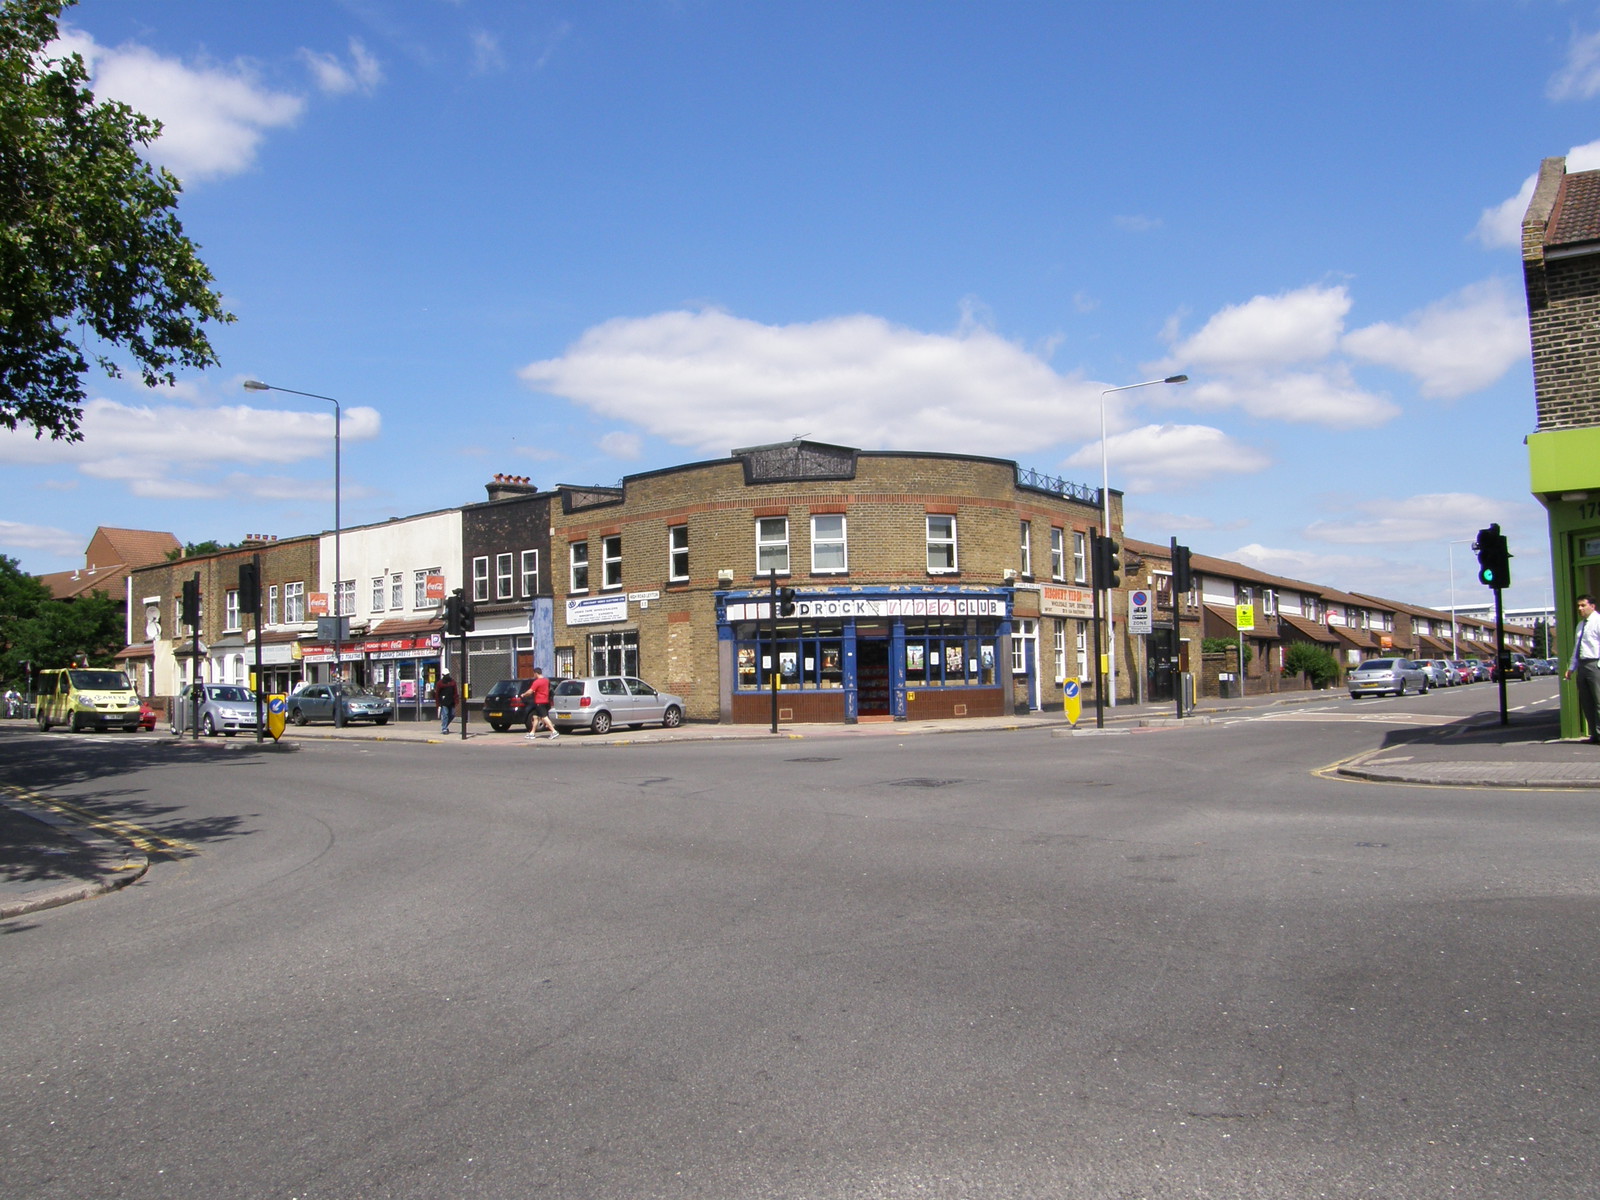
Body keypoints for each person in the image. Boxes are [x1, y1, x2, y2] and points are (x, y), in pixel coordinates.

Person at [1566, 593, 1600, 745]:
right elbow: (1577, 648)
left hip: (1595, 664)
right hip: (1582, 664)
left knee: (1599, 701)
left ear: (1592, 606)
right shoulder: (1580, 625)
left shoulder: (1598, 621)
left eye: (1583, 605)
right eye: (1578, 606)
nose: (1580, 608)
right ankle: (1594, 734)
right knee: (1587, 702)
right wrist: (1571, 667)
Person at [522, 667, 557, 740]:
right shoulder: (546, 680)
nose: (533, 675)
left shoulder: (537, 682)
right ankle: (532, 733)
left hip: (539, 702)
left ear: (536, 673)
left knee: (544, 717)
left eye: (534, 674)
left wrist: (524, 694)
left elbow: (530, 691)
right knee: (535, 717)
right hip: (545, 701)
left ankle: (554, 731)